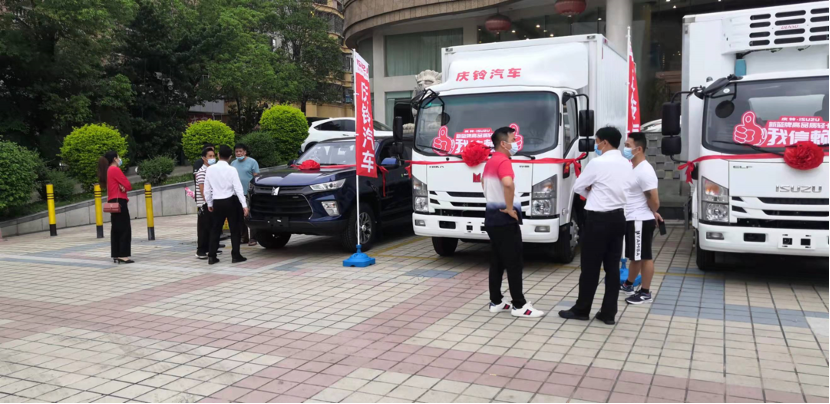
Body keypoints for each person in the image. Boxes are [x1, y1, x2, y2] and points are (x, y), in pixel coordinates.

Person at [559, 127, 631, 325]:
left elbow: (578, 186)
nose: (596, 146)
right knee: (612, 268)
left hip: (597, 220)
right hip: (618, 218)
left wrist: (593, 191)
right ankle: (608, 313)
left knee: (590, 268)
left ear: (605, 142)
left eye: (597, 142)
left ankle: (582, 309)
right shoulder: (627, 164)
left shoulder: (597, 163)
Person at [484, 127, 544, 319]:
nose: (516, 141)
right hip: (504, 219)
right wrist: (510, 209)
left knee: (497, 261)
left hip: (492, 217)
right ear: (503, 143)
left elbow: (484, 185)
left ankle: (496, 301)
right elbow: (508, 183)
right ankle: (519, 305)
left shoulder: (490, 162)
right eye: (513, 138)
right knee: (514, 262)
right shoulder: (503, 161)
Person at [620, 133, 663, 305]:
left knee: (644, 256)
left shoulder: (645, 171)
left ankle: (645, 292)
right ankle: (629, 284)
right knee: (636, 256)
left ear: (638, 149)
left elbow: (654, 199)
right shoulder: (633, 167)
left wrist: (653, 211)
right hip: (633, 218)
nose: (625, 149)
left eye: (627, 145)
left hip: (640, 220)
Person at [204, 145, 248, 265]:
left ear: (218, 155)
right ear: (230, 157)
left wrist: (209, 203)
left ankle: (212, 256)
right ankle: (235, 255)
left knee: (215, 229)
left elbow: (207, 189)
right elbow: (238, 188)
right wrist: (244, 205)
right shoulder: (232, 170)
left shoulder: (210, 169)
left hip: (217, 201)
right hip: (231, 201)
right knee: (235, 229)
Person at [98, 151, 133, 264]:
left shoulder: (108, 170)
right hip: (120, 202)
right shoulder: (115, 169)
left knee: (116, 229)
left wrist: (121, 186)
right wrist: (123, 186)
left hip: (113, 201)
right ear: (114, 159)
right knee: (124, 228)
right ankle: (123, 255)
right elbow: (128, 185)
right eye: (118, 157)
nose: (119, 159)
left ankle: (117, 254)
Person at [231, 143, 260, 246]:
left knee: (249, 215)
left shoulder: (252, 162)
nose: (238, 153)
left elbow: (256, 177)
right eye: (236, 152)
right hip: (237, 194)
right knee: (240, 216)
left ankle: (253, 238)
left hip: (248, 193)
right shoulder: (233, 164)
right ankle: (244, 237)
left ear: (245, 152)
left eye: (240, 151)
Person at [195, 147, 220, 259]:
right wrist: (208, 202)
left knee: (211, 226)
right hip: (204, 204)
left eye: (213, 156)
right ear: (204, 158)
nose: (212, 158)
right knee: (204, 228)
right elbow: (202, 190)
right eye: (210, 156)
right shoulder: (202, 172)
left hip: (212, 203)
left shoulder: (212, 170)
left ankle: (211, 248)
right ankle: (201, 250)